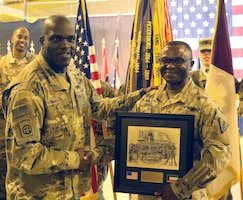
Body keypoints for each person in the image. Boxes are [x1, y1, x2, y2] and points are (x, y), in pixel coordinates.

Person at [2, 15, 156, 199]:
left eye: (70, 39)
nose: (65, 45)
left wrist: (139, 96)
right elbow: (25, 155)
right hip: (35, 195)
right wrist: (75, 159)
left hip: (68, 191)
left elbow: (99, 108)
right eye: (57, 38)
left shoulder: (74, 76)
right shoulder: (27, 89)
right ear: (43, 41)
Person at [129, 41, 231, 200]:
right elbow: (128, 139)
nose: (169, 66)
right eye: (165, 61)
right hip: (147, 192)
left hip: (186, 195)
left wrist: (181, 188)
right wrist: (94, 155)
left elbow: (220, 154)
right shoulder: (146, 101)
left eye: (177, 61)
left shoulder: (204, 105)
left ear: (190, 64)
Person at [0, 26, 36, 199]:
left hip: (29, 124)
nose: (22, 40)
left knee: (27, 164)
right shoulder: (2, 64)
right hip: (4, 124)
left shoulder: (35, 63)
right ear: (12, 39)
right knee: (4, 165)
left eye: (26, 38)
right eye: (19, 37)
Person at [93, 81, 116, 200]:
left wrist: (105, 147)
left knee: (96, 189)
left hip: (97, 151)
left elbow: (114, 120)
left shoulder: (102, 88)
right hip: (70, 152)